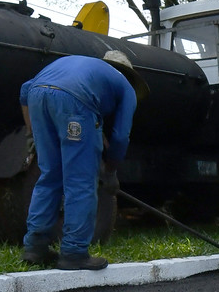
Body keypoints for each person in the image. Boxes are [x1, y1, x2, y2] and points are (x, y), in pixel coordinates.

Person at [20, 49, 146, 271]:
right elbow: (120, 136)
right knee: (81, 182)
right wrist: (110, 172)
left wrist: (31, 132)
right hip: (75, 103)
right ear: (128, 74)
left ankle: (35, 247)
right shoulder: (125, 86)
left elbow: (25, 90)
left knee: (49, 176)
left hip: (38, 96)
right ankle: (74, 252)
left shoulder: (82, 65)